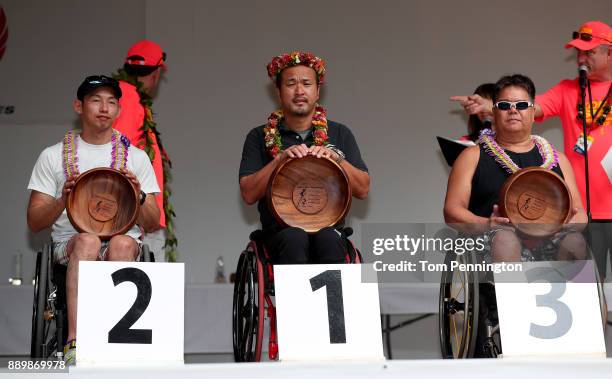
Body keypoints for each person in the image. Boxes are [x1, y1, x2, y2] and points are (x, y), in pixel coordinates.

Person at [451, 21, 611, 274]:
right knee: (590, 266)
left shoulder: (554, 158)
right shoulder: (568, 90)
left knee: (577, 248)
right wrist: (494, 105)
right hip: (584, 207)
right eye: (578, 51)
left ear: (609, 52)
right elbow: (530, 107)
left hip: (588, 209)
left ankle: (584, 312)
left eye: (588, 52)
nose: (580, 58)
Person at [27, 75, 160, 364]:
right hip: (69, 244)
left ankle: (118, 341)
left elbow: (151, 222)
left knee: (122, 243)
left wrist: (139, 196)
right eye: (96, 100)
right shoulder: (52, 156)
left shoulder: (136, 157)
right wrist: (63, 200)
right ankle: (75, 342)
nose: (104, 108)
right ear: (78, 106)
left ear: (119, 110)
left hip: (121, 241)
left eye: (112, 102)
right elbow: (35, 221)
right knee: (87, 240)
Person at [239, 51, 370, 264]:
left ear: (317, 91)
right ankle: (298, 298)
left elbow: (363, 190)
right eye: (291, 84)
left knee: (328, 237)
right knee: (294, 237)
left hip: (329, 229)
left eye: (307, 84)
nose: (299, 91)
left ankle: (331, 298)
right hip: (281, 233)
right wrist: (279, 161)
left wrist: (337, 159)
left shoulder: (340, 133)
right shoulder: (259, 136)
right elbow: (248, 194)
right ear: (279, 92)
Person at [444, 74, 588, 262]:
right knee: (506, 239)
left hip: (548, 239)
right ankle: (510, 291)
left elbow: (580, 212)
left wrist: (570, 225)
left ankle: (570, 291)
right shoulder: (472, 156)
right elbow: (452, 210)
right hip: (492, 238)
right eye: (504, 106)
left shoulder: (557, 159)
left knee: (575, 241)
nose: (513, 110)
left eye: (521, 105)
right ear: (494, 113)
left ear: (533, 112)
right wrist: (487, 224)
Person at [112, 40, 175, 262]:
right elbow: (120, 154)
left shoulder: (123, 94)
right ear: (156, 73)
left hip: (136, 211)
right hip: (136, 215)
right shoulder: (129, 97)